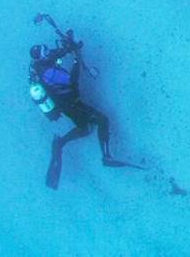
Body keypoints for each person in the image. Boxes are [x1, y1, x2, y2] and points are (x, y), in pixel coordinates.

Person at [28, 27, 134, 189]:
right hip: (71, 105)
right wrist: (77, 60)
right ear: (41, 57)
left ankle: (60, 144)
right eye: (45, 51)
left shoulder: (43, 65)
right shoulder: (48, 72)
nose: (48, 51)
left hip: (69, 103)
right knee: (101, 120)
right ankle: (106, 157)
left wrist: (69, 47)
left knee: (85, 128)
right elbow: (71, 80)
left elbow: (56, 54)